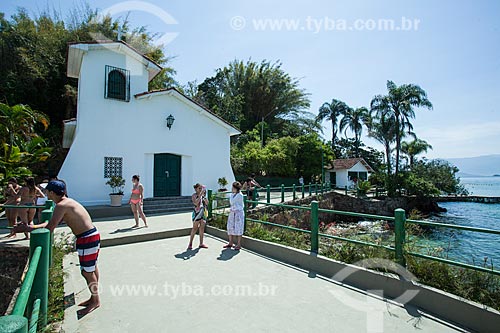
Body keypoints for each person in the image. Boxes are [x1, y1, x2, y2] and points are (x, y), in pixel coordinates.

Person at [14, 180, 101, 316]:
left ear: (52, 192)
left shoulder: (61, 205)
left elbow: (50, 226)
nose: (45, 194)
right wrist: (32, 227)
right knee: (92, 267)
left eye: (47, 191)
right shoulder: (67, 202)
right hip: (92, 235)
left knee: (87, 272)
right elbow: (51, 222)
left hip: (86, 238)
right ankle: (94, 297)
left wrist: (28, 228)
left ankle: (96, 300)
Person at [223, 182, 245, 250]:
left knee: (239, 227)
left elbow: (232, 202)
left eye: (233, 188)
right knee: (230, 226)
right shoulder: (233, 194)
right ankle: (230, 242)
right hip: (232, 212)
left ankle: (238, 244)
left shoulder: (240, 195)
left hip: (238, 213)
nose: (232, 189)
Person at [188, 183, 208, 250]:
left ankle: (201, 243)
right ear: (196, 189)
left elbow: (207, 203)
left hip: (203, 212)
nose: (200, 190)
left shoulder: (203, 195)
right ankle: (190, 243)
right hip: (196, 213)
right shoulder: (194, 195)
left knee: (202, 228)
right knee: (194, 228)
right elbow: (196, 203)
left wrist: (204, 198)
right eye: (199, 188)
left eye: (201, 188)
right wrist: (200, 195)